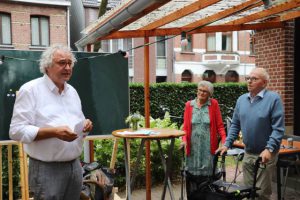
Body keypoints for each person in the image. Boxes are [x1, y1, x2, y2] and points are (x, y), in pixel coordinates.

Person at [9, 44, 93, 200]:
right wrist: (54, 132)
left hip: (75, 166)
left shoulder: (72, 92)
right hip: (46, 169)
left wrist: (85, 125)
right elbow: (16, 131)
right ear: (47, 66)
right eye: (62, 63)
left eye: (70, 63)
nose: (67, 67)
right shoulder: (30, 90)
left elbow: (77, 124)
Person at [218, 68, 285, 200]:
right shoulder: (241, 100)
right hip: (248, 152)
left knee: (261, 193)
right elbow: (235, 125)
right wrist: (227, 144)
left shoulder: (273, 99)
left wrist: (269, 149)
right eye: (248, 78)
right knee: (247, 192)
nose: (249, 81)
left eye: (254, 79)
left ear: (264, 83)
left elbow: (278, 129)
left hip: (266, 154)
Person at [181, 80, 226, 199]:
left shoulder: (214, 104)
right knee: (192, 176)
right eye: (200, 90)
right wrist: (184, 140)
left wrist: (224, 142)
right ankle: (193, 197)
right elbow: (185, 127)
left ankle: (208, 197)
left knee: (207, 177)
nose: (201, 93)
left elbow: (220, 126)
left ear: (210, 94)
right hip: (193, 148)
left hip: (208, 148)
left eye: (205, 91)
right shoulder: (189, 105)